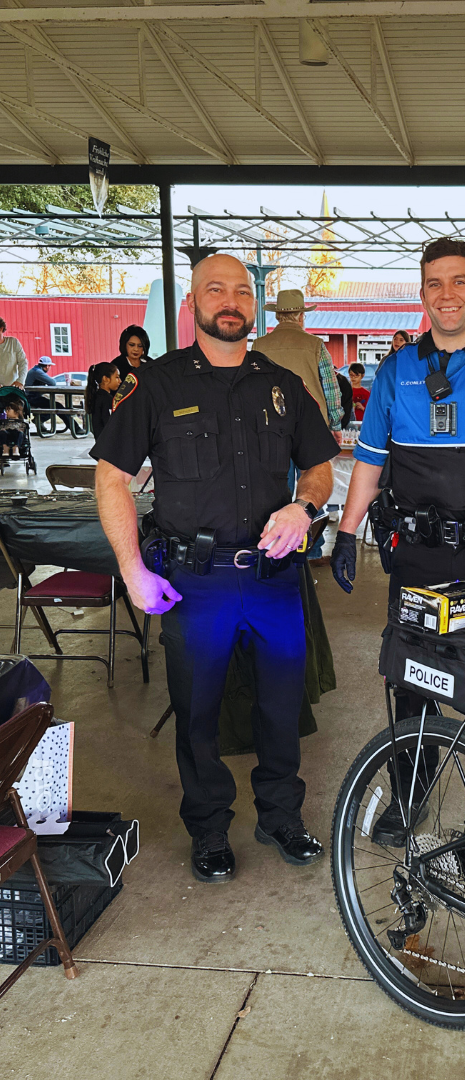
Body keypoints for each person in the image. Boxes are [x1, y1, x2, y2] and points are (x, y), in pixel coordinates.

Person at [93, 254, 338, 885]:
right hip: (193, 584)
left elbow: (319, 466)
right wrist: (132, 571)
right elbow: (111, 477)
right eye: (214, 290)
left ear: (254, 305)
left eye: (240, 291)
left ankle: (280, 815)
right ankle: (208, 829)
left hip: (273, 577)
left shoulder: (283, 384)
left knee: (281, 708)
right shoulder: (158, 385)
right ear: (194, 305)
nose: (229, 301)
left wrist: (304, 506)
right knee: (197, 711)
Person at [330, 237, 465, 858]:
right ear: (422, 293)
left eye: (459, 282)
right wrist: (347, 531)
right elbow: (371, 462)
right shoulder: (397, 372)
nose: (447, 294)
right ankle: (410, 794)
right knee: (415, 677)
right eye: (435, 283)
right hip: (419, 555)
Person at [253, 290, 342, 438]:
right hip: (312, 422)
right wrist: (335, 425)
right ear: (301, 316)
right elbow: (331, 389)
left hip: (271, 424)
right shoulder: (316, 345)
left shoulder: (259, 345)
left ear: (277, 316)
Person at [25, 355, 77, 434]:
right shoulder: (37, 372)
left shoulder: (35, 370)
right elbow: (52, 383)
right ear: (47, 366)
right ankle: (75, 428)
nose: (49, 368)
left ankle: (40, 421)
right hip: (31, 398)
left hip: (31, 397)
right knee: (57, 407)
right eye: (49, 366)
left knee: (54, 406)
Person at [88, 362, 121, 438]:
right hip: (106, 442)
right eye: (117, 377)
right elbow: (109, 424)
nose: (120, 381)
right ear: (105, 379)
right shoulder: (106, 399)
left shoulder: (97, 396)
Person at [0, 317, 28, 388]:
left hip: (12, 389)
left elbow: (23, 362)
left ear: (1, 328)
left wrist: (20, 381)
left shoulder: (13, 342)